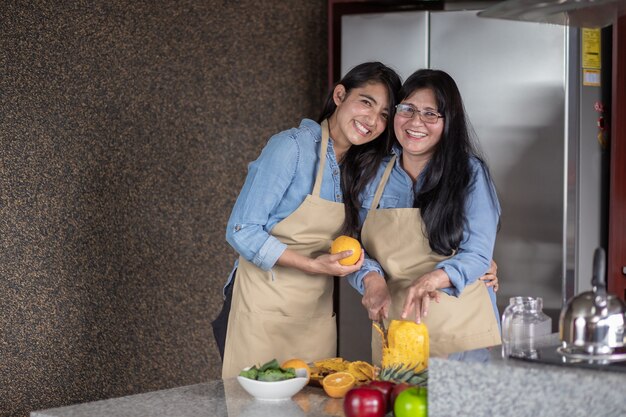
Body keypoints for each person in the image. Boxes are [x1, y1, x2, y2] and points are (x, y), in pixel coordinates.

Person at [212, 62, 402, 378]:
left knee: (312, 406)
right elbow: (242, 230)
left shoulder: (361, 169)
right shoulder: (292, 148)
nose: (372, 120)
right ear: (340, 95)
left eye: (384, 115)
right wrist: (314, 265)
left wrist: (471, 257)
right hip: (260, 307)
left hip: (313, 313)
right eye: (366, 102)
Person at [349, 69, 501, 364]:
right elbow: (353, 245)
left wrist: (431, 279)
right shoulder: (372, 173)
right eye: (407, 109)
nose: (416, 122)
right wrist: (370, 279)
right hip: (398, 327)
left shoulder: (470, 173)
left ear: (448, 122)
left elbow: (478, 253)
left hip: (461, 334)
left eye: (431, 114)